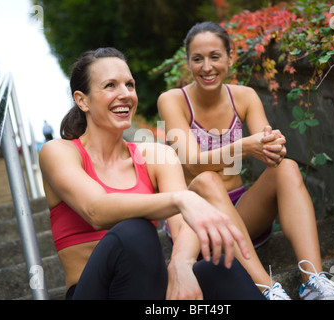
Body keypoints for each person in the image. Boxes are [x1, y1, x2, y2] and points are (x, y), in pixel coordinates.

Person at [39, 47, 264, 300]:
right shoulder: (59, 152)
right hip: (93, 293)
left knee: (218, 268)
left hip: (152, 295)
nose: (125, 94)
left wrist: (180, 262)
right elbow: (96, 210)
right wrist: (181, 198)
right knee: (134, 231)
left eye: (130, 85)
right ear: (82, 100)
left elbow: (183, 228)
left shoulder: (156, 156)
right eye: (110, 85)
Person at [158, 21, 334, 300]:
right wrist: (245, 147)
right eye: (197, 59)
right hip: (196, 228)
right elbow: (192, 163)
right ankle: (267, 290)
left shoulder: (245, 97)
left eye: (215, 56)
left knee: (287, 168)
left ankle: (313, 284)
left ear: (230, 57)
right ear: (188, 63)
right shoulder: (173, 100)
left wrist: (274, 148)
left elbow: (267, 147)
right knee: (207, 180)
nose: (206, 67)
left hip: (242, 215)